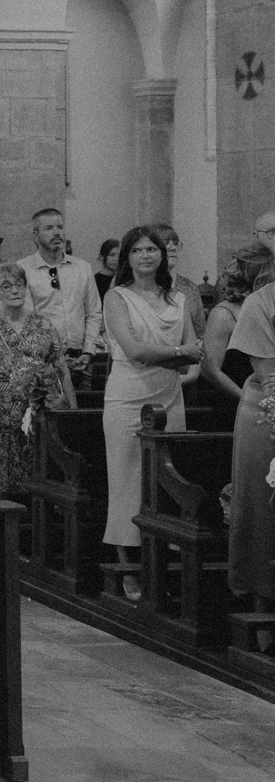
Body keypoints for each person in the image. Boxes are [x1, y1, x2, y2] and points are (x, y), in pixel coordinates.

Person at [101, 225, 201, 600]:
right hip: (129, 396)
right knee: (127, 479)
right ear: (127, 257)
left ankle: (164, 567)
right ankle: (129, 567)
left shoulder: (177, 297)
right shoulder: (118, 298)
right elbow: (134, 350)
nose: (146, 256)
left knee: (167, 479)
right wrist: (179, 356)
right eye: (138, 250)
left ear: (163, 255)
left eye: (152, 250)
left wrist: (183, 362)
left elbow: (195, 348)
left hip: (171, 394)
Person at [0, 261, 76, 498]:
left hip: (38, 414)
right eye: (6, 287)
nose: (15, 291)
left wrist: (72, 410)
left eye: (19, 284)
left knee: (38, 480)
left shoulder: (42, 324)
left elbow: (62, 369)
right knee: (2, 484)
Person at [226, 257, 275, 616]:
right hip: (267, 411)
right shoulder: (262, 302)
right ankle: (262, 607)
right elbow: (270, 377)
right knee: (263, 510)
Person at [19, 208, 103, 377]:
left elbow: (93, 313)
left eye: (60, 227)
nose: (56, 233)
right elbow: (27, 319)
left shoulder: (82, 267)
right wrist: (51, 357)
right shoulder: (23, 269)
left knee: (81, 402)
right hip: (43, 361)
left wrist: (88, 351)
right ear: (35, 235)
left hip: (80, 358)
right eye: (49, 228)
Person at [200, 252, 273, 425]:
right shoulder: (223, 314)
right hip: (234, 404)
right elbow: (211, 370)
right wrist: (247, 399)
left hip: (267, 399)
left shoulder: (266, 309)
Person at [156, 226, 207, 338]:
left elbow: (200, 331)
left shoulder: (189, 287)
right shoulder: (137, 285)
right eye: (166, 243)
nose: (173, 248)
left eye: (175, 243)